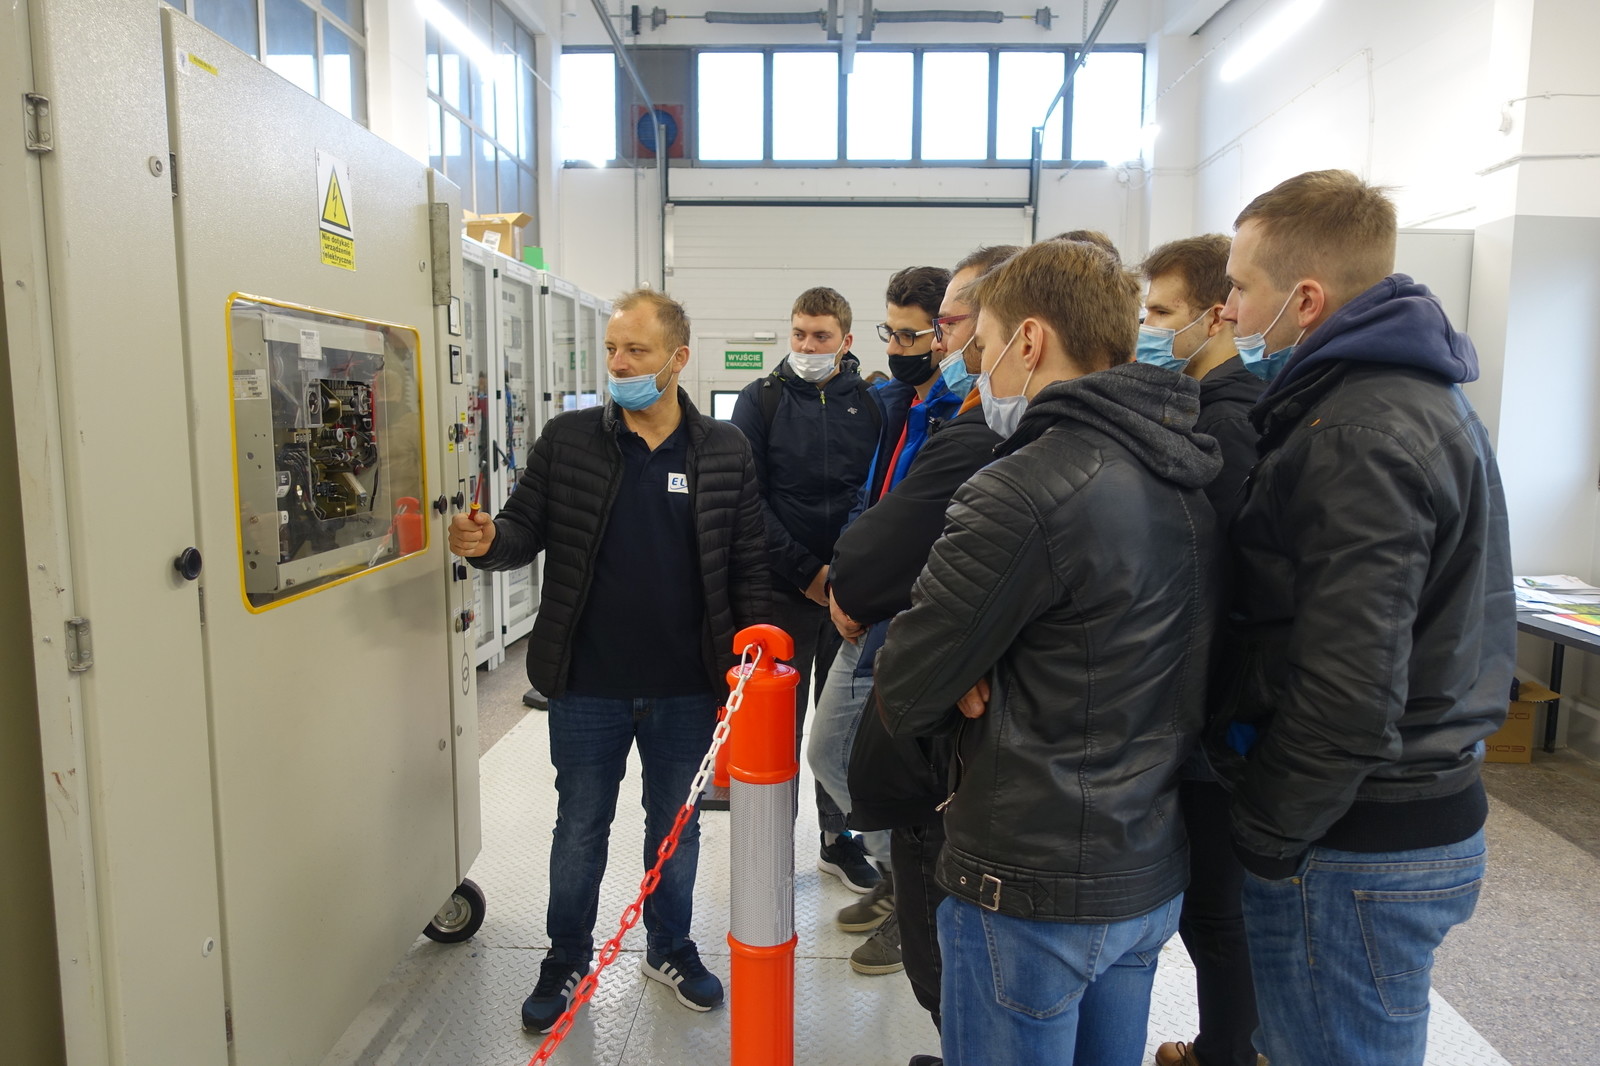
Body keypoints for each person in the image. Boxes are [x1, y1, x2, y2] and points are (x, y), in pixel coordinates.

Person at [876, 239, 1222, 1066]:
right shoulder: (1187, 470)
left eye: (987, 344)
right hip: (1142, 868)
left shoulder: (1020, 488)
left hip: (1028, 883)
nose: (979, 366)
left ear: (1029, 341)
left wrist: (971, 668)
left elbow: (909, 682)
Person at [1208, 169, 1514, 1066]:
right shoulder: (1406, 398)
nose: (1228, 309)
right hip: (1401, 802)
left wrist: (1267, 832)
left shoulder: (1358, 433)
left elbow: (1350, 685)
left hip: (1358, 833)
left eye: (1240, 287)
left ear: (1304, 299)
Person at [450, 289, 769, 1034]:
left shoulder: (725, 450)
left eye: (637, 351)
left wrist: (750, 661)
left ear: (678, 359)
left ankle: (669, 946)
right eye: (613, 350)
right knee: (580, 826)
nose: (619, 364)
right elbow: (522, 529)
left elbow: (748, 561)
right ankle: (566, 958)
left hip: (688, 686)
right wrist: (487, 542)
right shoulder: (569, 441)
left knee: (676, 828)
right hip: (587, 681)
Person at [835, 245, 1018, 1066]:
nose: (936, 344)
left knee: (964, 956)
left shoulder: (994, 433)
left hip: (985, 758)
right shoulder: (946, 411)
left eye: (949, 326)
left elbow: (893, 555)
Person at [802, 265, 954, 964]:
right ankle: (899, 877)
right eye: (889, 331)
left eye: (910, 335)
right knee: (832, 754)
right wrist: (844, 585)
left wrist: (865, 594)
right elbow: (872, 507)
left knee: (873, 764)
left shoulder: (960, 416)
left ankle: (917, 896)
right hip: (862, 612)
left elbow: (932, 534)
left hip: (907, 623)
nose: (895, 347)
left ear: (945, 335)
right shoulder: (894, 404)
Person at [1138, 234, 1264, 1066]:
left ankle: (1228, 1051)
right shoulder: (1197, 403)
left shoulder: (1228, 419)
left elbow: (1222, 573)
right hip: (1203, 700)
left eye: (1161, 313)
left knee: (1216, 908)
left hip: (1217, 708)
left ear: (1215, 315)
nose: (1148, 329)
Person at [730, 287, 882, 892]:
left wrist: (843, 576)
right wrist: (808, 574)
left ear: (846, 341)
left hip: (851, 595)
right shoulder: (759, 400)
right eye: (799, 334)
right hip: (778, 592)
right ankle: (768, 846)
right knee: (777, 726)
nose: (807, 346)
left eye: (821, 336)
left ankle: (837, 840)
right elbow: (748, 500)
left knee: (841, 726)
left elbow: (874, 495)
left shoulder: (871, 405)